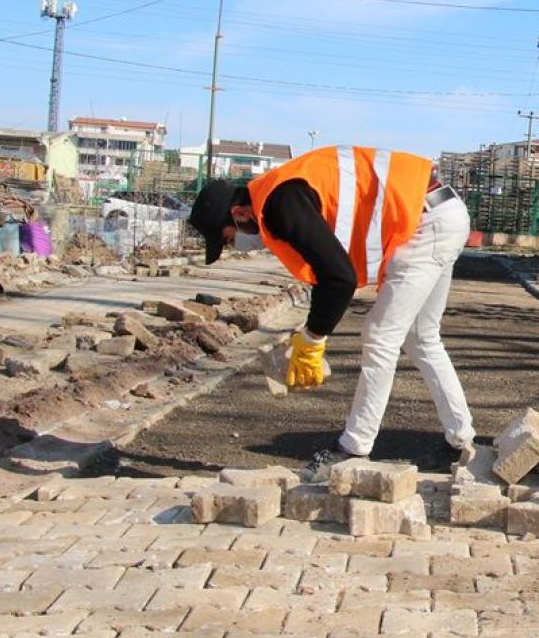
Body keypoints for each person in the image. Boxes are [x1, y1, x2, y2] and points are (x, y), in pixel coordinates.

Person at [188, 145, 475, 462]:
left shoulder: (281, 203)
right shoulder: (279, 192)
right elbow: (276, 238)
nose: (234, 245)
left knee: (381, 337)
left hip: (424, 222)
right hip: (441, 210)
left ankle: (354, 448)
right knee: (421, 336)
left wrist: (312, 339)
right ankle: (460, 440)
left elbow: (340, 278)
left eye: (228, 238)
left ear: (239, 213)